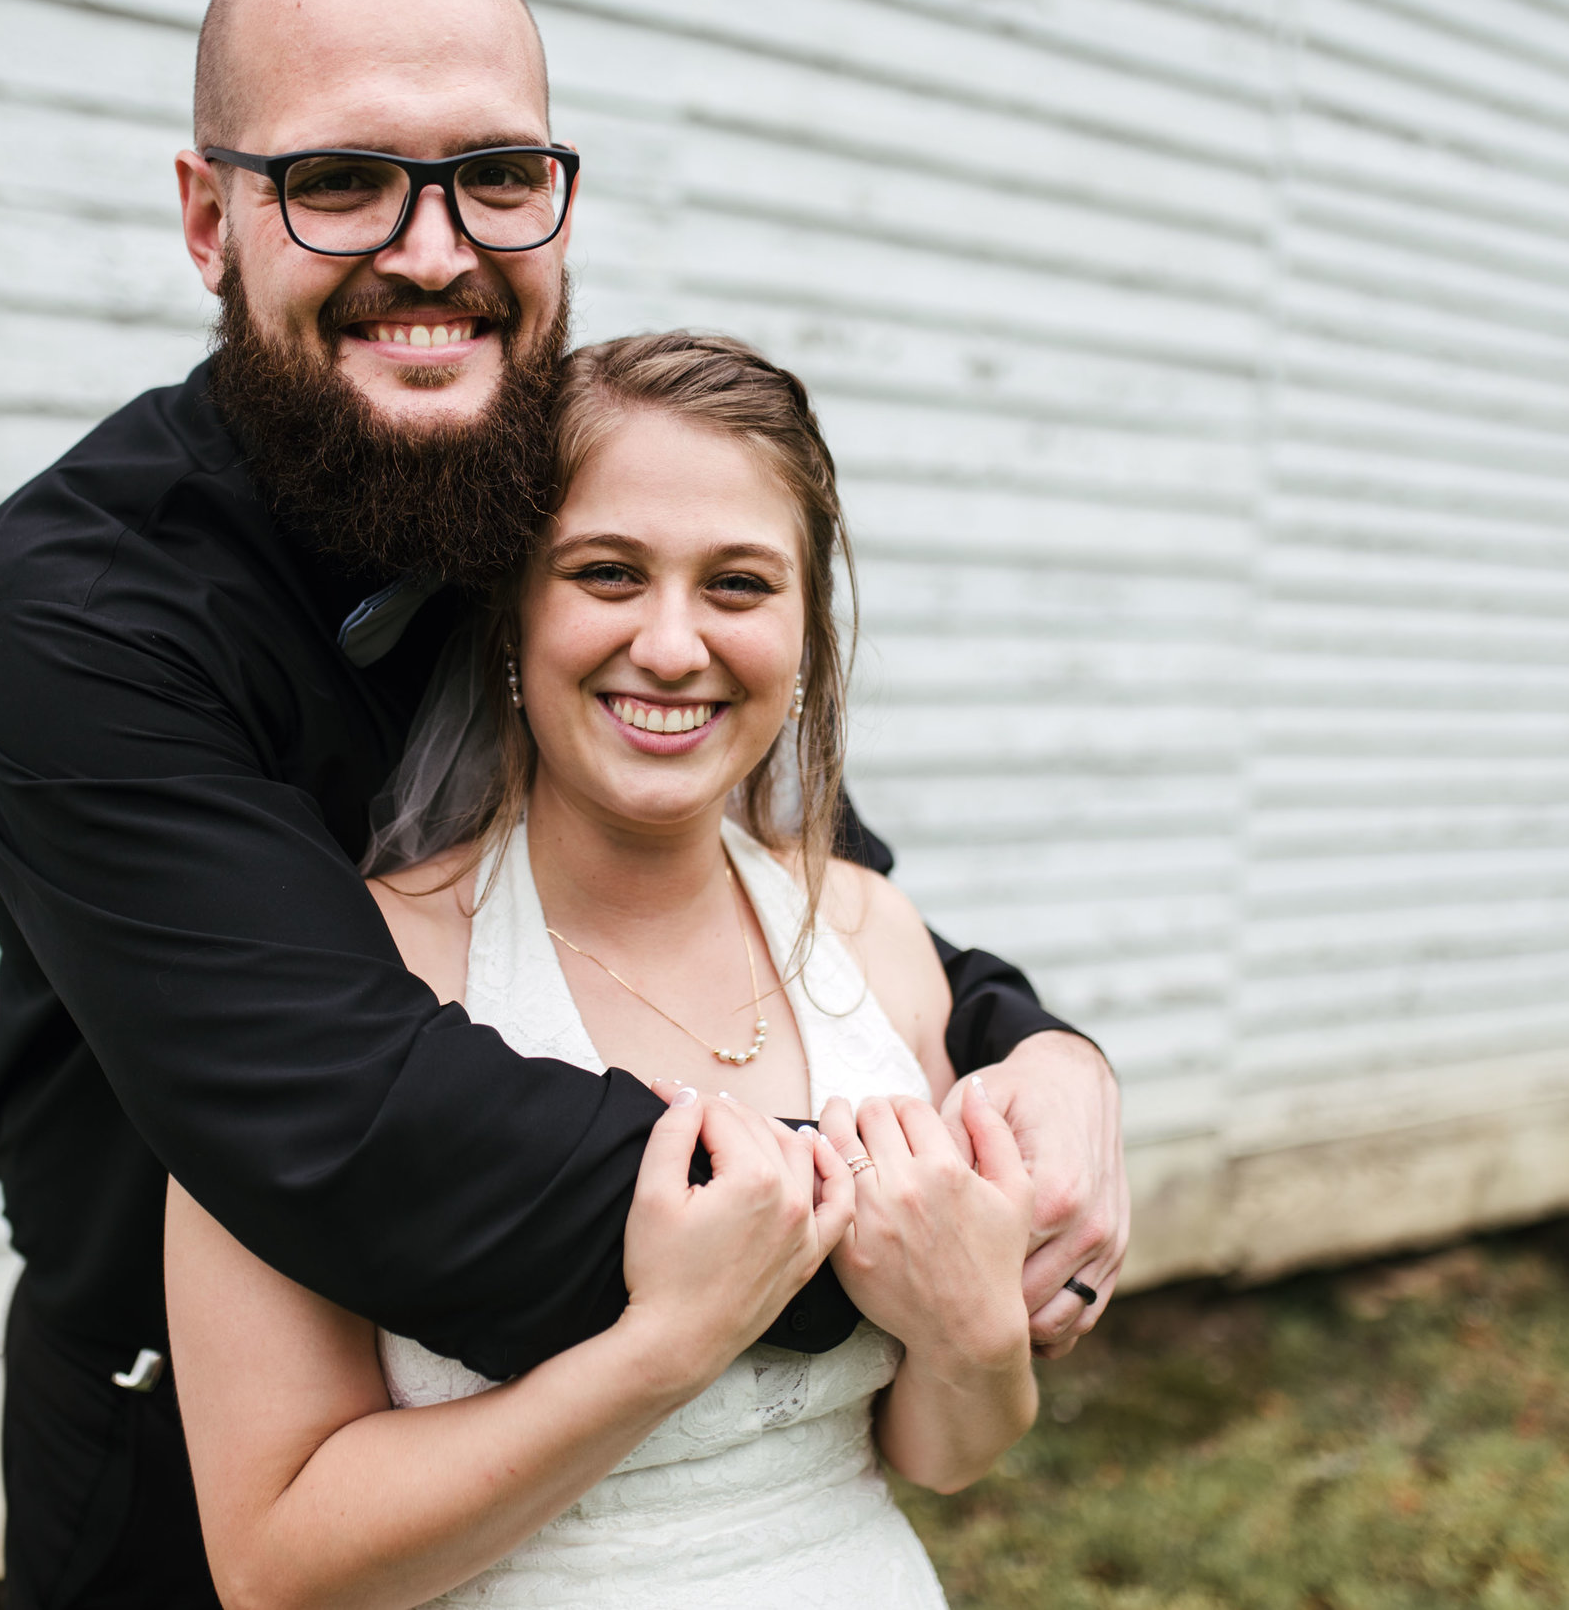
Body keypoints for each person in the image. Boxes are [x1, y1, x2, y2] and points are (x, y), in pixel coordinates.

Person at [0, 0, 1127, 1604]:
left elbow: (783, 869)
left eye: (496, 175)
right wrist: (917, 1238)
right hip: (184, 1465)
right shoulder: (81, 613)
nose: (434, 249)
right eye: (340, 180)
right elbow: (362, 1129)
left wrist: (1036, 1051)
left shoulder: (546, 468)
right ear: (210, 218)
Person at [167, 331, 1037, 1609]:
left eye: (738, 584)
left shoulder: (870, 937)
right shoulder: (344, 987)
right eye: (608, 573)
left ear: (803, 629)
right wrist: (659, 1348)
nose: (673, 646)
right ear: (513, 607)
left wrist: (976, 1331)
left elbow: (937, 1452)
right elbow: (273, 1564)